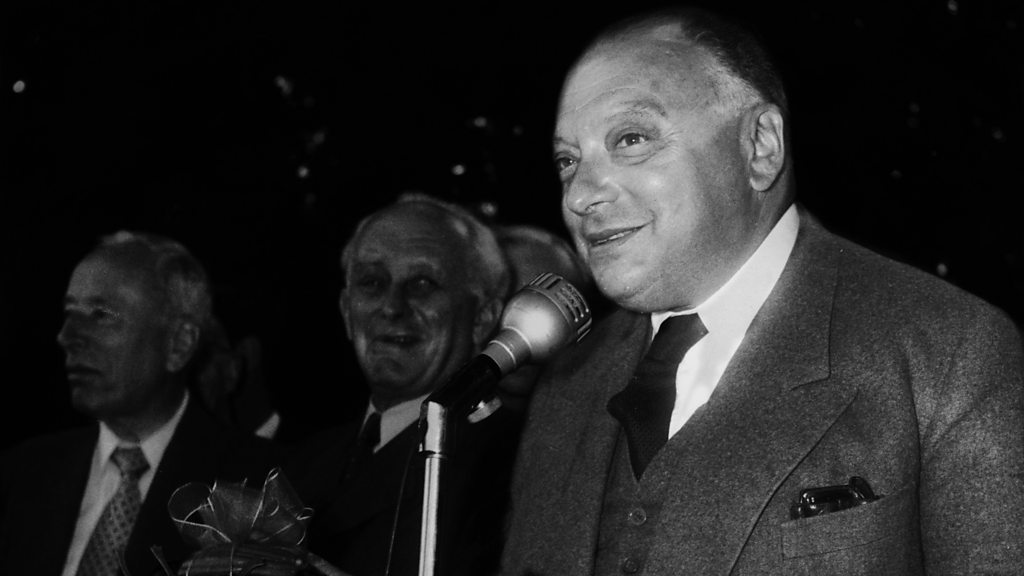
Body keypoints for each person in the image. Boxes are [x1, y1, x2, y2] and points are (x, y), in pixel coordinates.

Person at [499, 5, 1024, 576]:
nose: (580, 195)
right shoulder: (566, 388)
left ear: (761, 146)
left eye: (630, 139)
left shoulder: (949, 355)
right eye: (567, 160)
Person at [0, 230, 287, 576]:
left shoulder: (254, 486)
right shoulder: (24, 474)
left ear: (179, 343)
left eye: (100, 314)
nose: (67, 336)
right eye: (69, 313)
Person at [285, 192, 522, 576]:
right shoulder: (301, 464)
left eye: (423, 284)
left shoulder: (509, 462)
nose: (392, 307)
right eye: (372, 282)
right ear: (346, 312)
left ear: (482, 317)